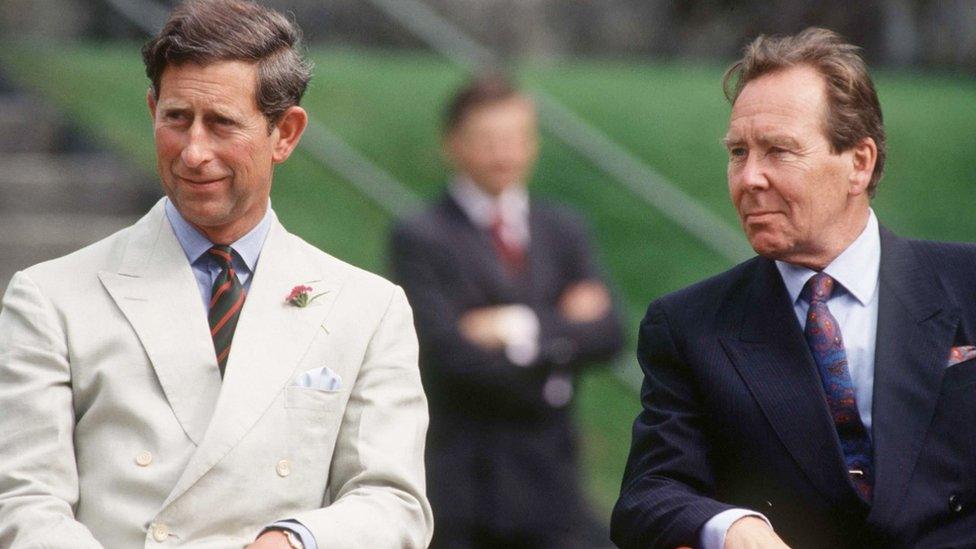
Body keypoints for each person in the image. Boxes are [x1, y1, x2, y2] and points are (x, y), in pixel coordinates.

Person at [0, 1, 432, 547]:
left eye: (222, 123)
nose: (194, 152)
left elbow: (392, 502)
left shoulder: (367, 308)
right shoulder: (50, 299)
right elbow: (23, 501)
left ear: (285, 134)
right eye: (176, 118)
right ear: (152, 108)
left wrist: (295, 540)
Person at [611, 27, 976, 549]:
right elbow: (648, 496)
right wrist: (733, 527)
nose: (749, 178)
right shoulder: (690, 326)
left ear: (859, 162)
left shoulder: (967, 284)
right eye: (738, 152)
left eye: (778, 151)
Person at [390, 74, 625, 547]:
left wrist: (519, 326)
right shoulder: (421, 235)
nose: (505, 154)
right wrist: (562, 340)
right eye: (488, 140)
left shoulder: (562, 229)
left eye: (517, 139)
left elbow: (610, 334)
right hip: (467, 487)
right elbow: (447, 353)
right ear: (452, 145)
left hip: (554, 482)